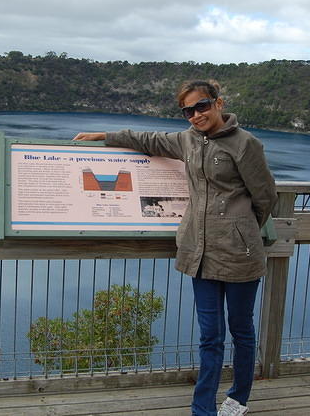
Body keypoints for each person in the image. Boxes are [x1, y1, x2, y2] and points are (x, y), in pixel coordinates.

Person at [74, 79, 278, 416]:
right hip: (199, 253)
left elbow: (265, 196)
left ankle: (239, 397)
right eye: (188, 110)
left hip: (240, 255)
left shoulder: (246, 144)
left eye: (202, 106)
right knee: (210, 336)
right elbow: (148, 140)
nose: (196, 115)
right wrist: (104, 136)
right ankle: (203, 409)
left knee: (241, 328)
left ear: (218, 103)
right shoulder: (188, 141)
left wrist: (240, 230)